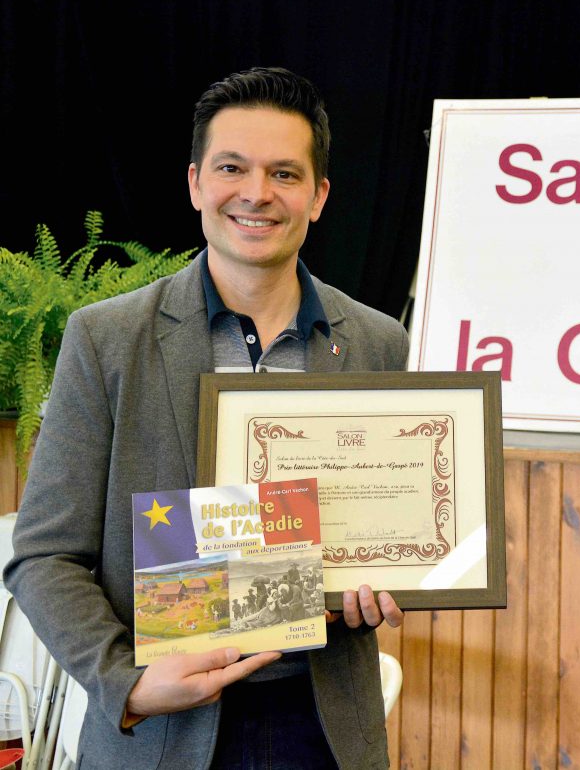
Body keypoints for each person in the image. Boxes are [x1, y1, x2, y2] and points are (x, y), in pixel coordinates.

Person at [4, 67, 408, 769]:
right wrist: (126, 680)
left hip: (325, 730)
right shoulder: (107, 339)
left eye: (285, 173)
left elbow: (388, 529)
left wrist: (391, 573)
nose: (257, 192)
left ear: (319, 196)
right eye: (232, 168)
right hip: (162, 730)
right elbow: (44, 555)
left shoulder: (378, 342)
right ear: (195, 183)